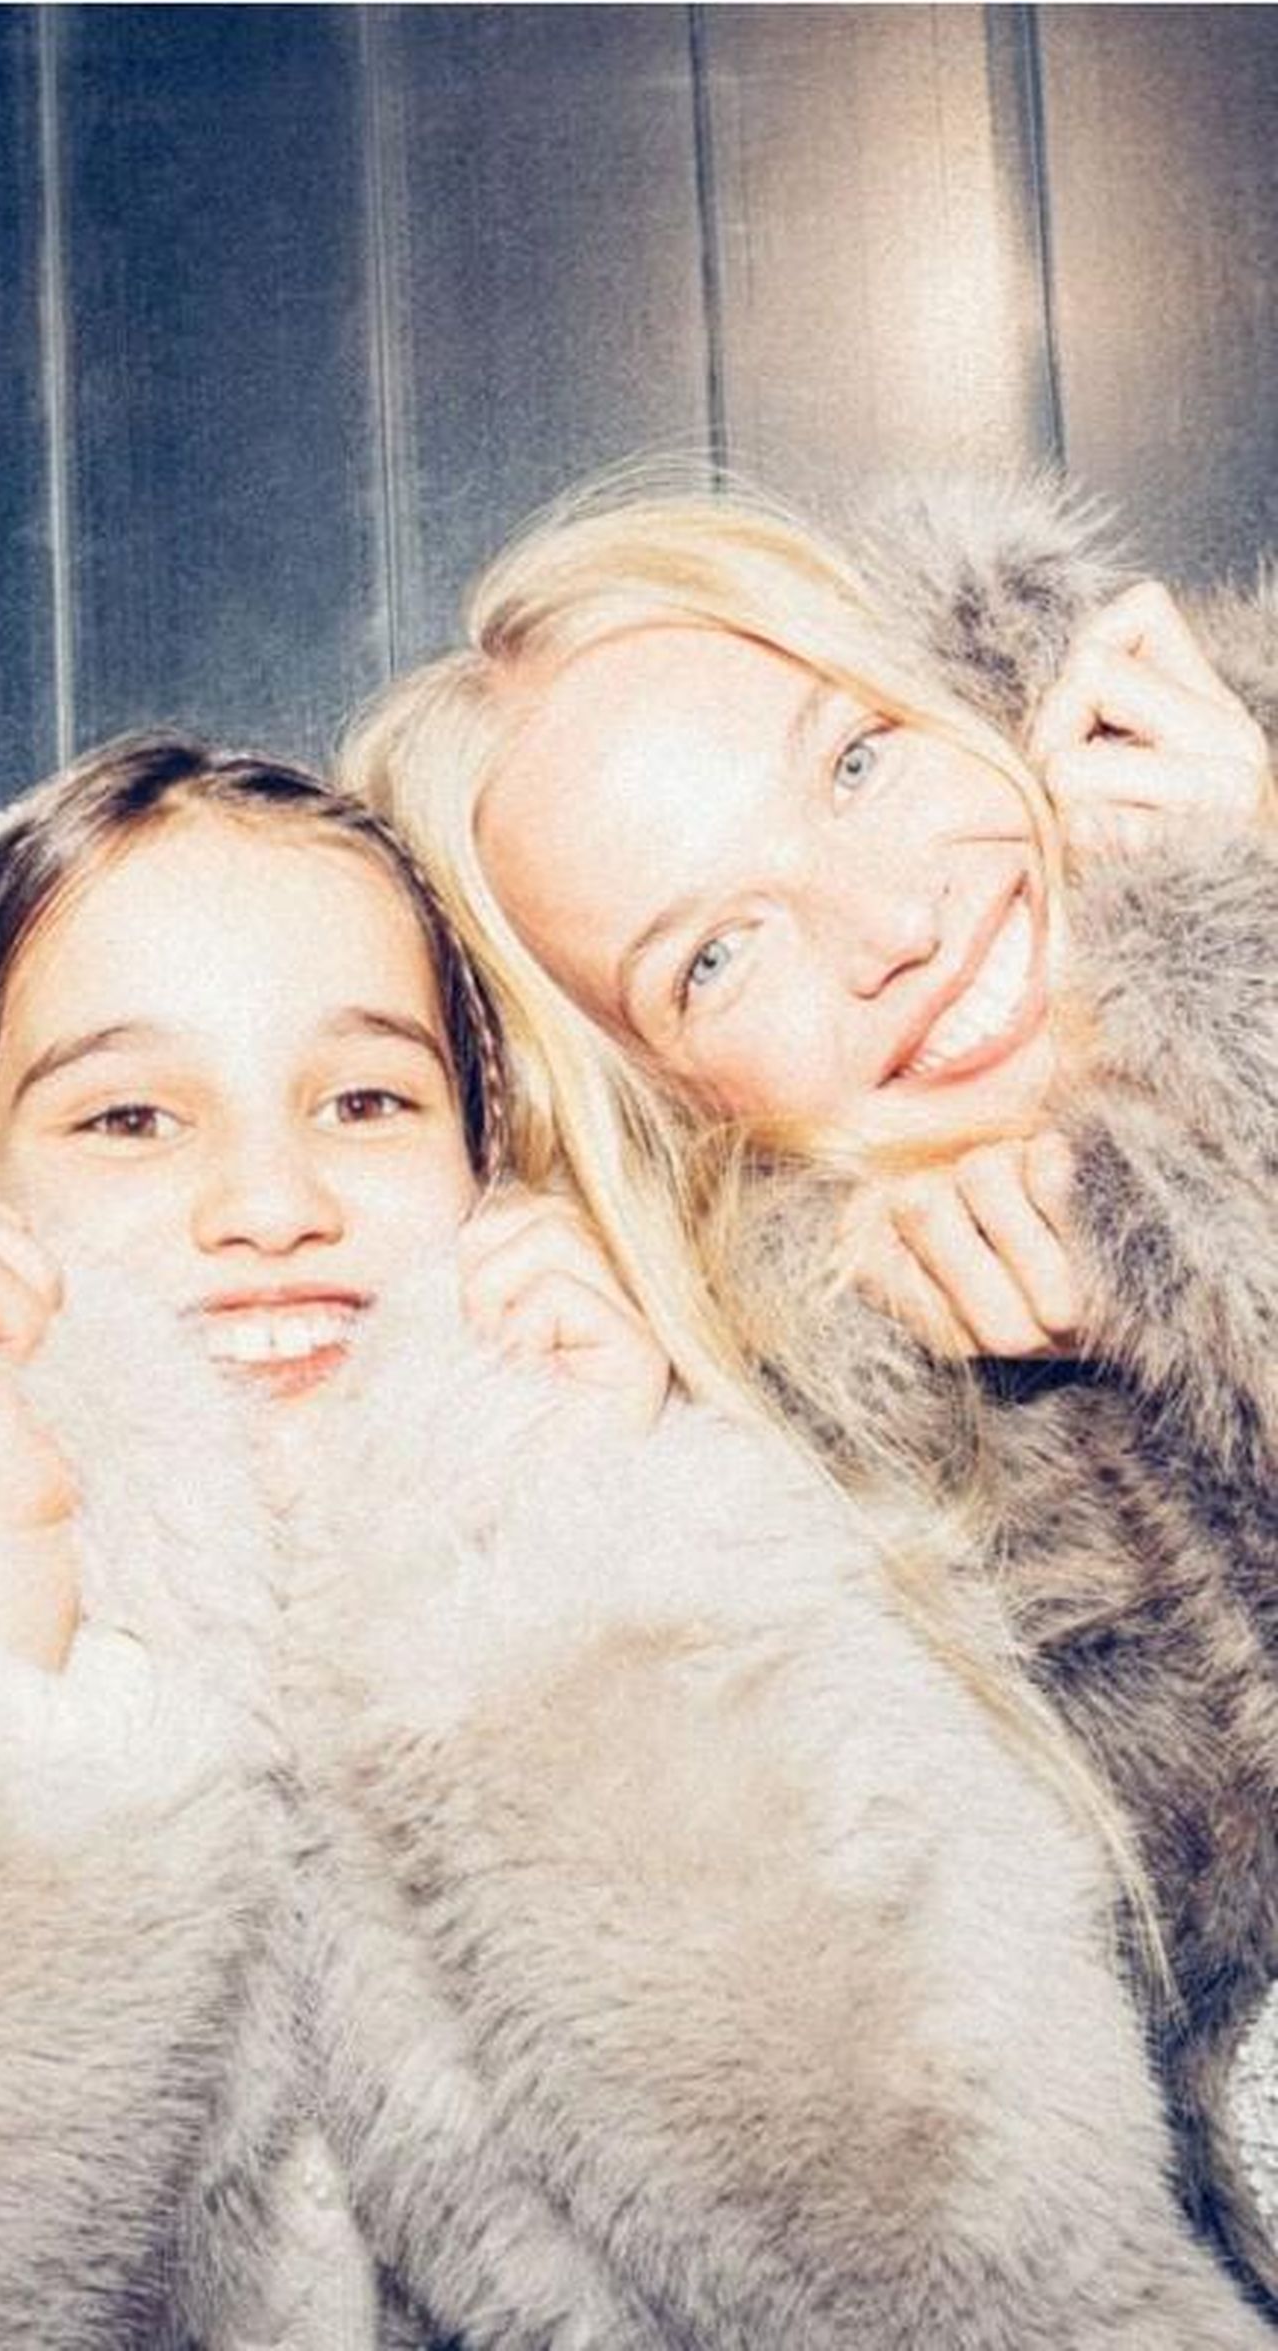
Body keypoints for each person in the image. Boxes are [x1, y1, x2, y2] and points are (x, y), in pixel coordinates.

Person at [0, 732, 1266, 2349]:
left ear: (484, 1155)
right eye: (129, 1119)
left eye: (365, 1102)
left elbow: (991, 2276)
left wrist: (583, 1577)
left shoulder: (732, 1517)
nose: (273, 1206)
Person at [341, 472, 1278, 2311]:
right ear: (665, 1115)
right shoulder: (872, 1521)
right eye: (715, 954)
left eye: (853, 762)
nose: (889, 923)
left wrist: (1241, 1006)